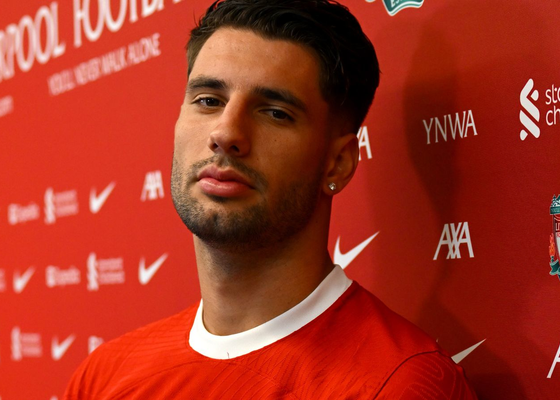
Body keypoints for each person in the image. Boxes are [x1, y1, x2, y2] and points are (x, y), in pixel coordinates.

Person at [64, 0, 477, 398]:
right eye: (209, 101)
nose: (226, 133)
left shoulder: (397, 385)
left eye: (275, 112)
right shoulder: (104, 376)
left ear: (337, 164)